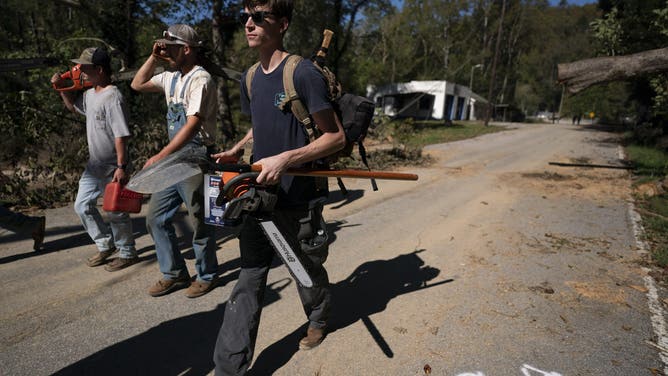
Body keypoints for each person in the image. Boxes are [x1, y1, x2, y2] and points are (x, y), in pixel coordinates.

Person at [212, 0, 345, 374]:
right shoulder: (250, 76)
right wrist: (238, 149)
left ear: (282, 24)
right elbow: (262, 123)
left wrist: (286, 159)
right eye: (245, 18)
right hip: (258, 194)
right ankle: (230, 368)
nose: (249, 25)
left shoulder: (303, 74)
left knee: (302, 267)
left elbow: (335, 137)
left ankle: (318, 315)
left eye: (259, 18)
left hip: (298, 196)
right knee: (250, 276)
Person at [131, 24, 219, 298]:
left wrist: (160, 156)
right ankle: (175, 274)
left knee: (199, 220)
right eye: (163, 47)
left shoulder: (200, 79)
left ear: (187, 49)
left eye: (169, 48)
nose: (165, 51)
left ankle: (206, 275)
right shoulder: (169, 77)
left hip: (195, 157)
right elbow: (137, 84)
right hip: (174, 157)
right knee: (156, 219)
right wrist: (153, 58)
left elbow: (193, 125)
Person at [51, 47, 138, 271]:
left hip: (112, 165)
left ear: (99, 70)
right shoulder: (90, 95)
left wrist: (122, 166)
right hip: (94, 166)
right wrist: (61, 88)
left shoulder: (113, 96)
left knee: (116, 211)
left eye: (85, 68)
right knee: (82, 206)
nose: (80, 72)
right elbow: (72, 106)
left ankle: (127, 252)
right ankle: (105, 244)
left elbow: (121, 134)